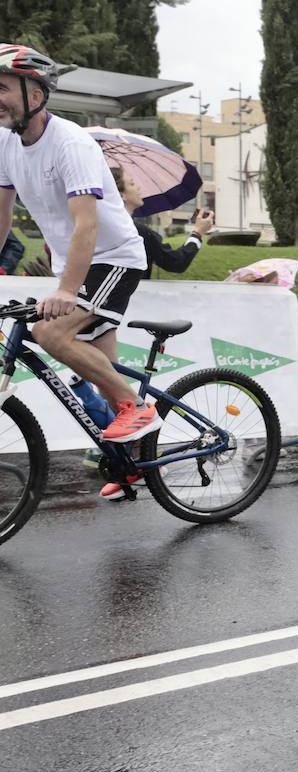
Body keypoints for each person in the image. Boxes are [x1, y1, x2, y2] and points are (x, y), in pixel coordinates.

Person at [0, 45, 160, 467]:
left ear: (34, 95)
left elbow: (86, 224)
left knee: (51, 334)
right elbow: (0, 215)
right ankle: (134, 466)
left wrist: (68, 290)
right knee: (103, 369)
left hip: (113, 257)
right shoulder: (4, 143)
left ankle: (138, 407)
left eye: (0, 88)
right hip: (73, 264)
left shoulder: (71, 143)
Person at [111, 167, 213, 278]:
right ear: (121, 195)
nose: (138, 187)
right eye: (131, 184)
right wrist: (197, 233)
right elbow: (177, 262)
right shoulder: (138, 233)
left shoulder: (99, 227)